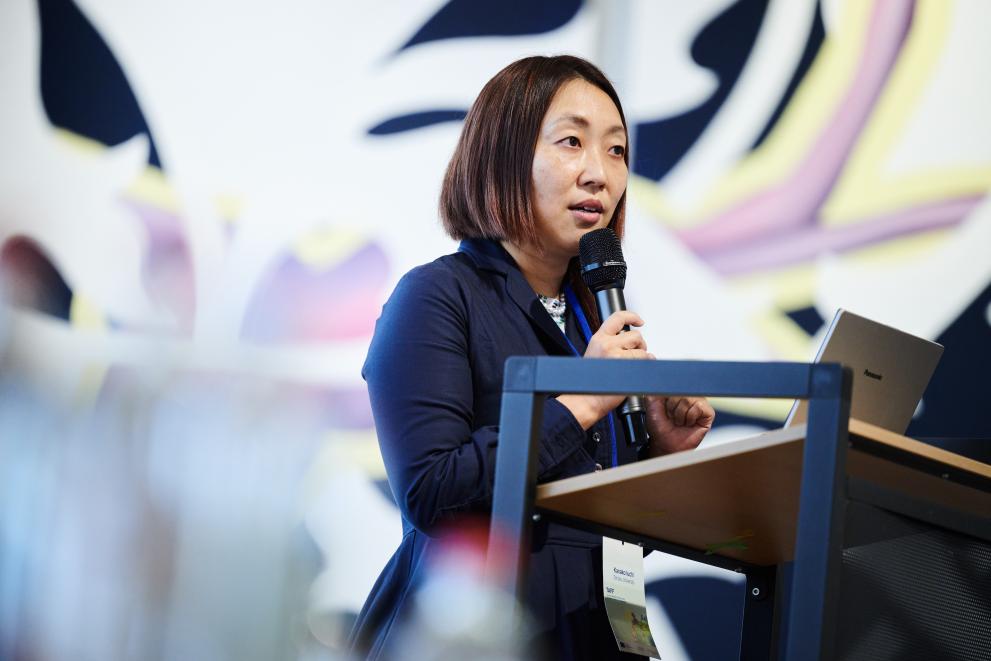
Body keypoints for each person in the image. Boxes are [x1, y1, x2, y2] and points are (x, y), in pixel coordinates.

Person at [349, 55, 715, 660]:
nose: (599, 174)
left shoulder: (595, 319)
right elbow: (434, 493)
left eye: (617, 151)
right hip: (467, 639)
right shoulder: (438, 296)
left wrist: (661, 456)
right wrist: (584, 402)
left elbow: (599, 540)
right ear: (504, 155)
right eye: (572, 142)